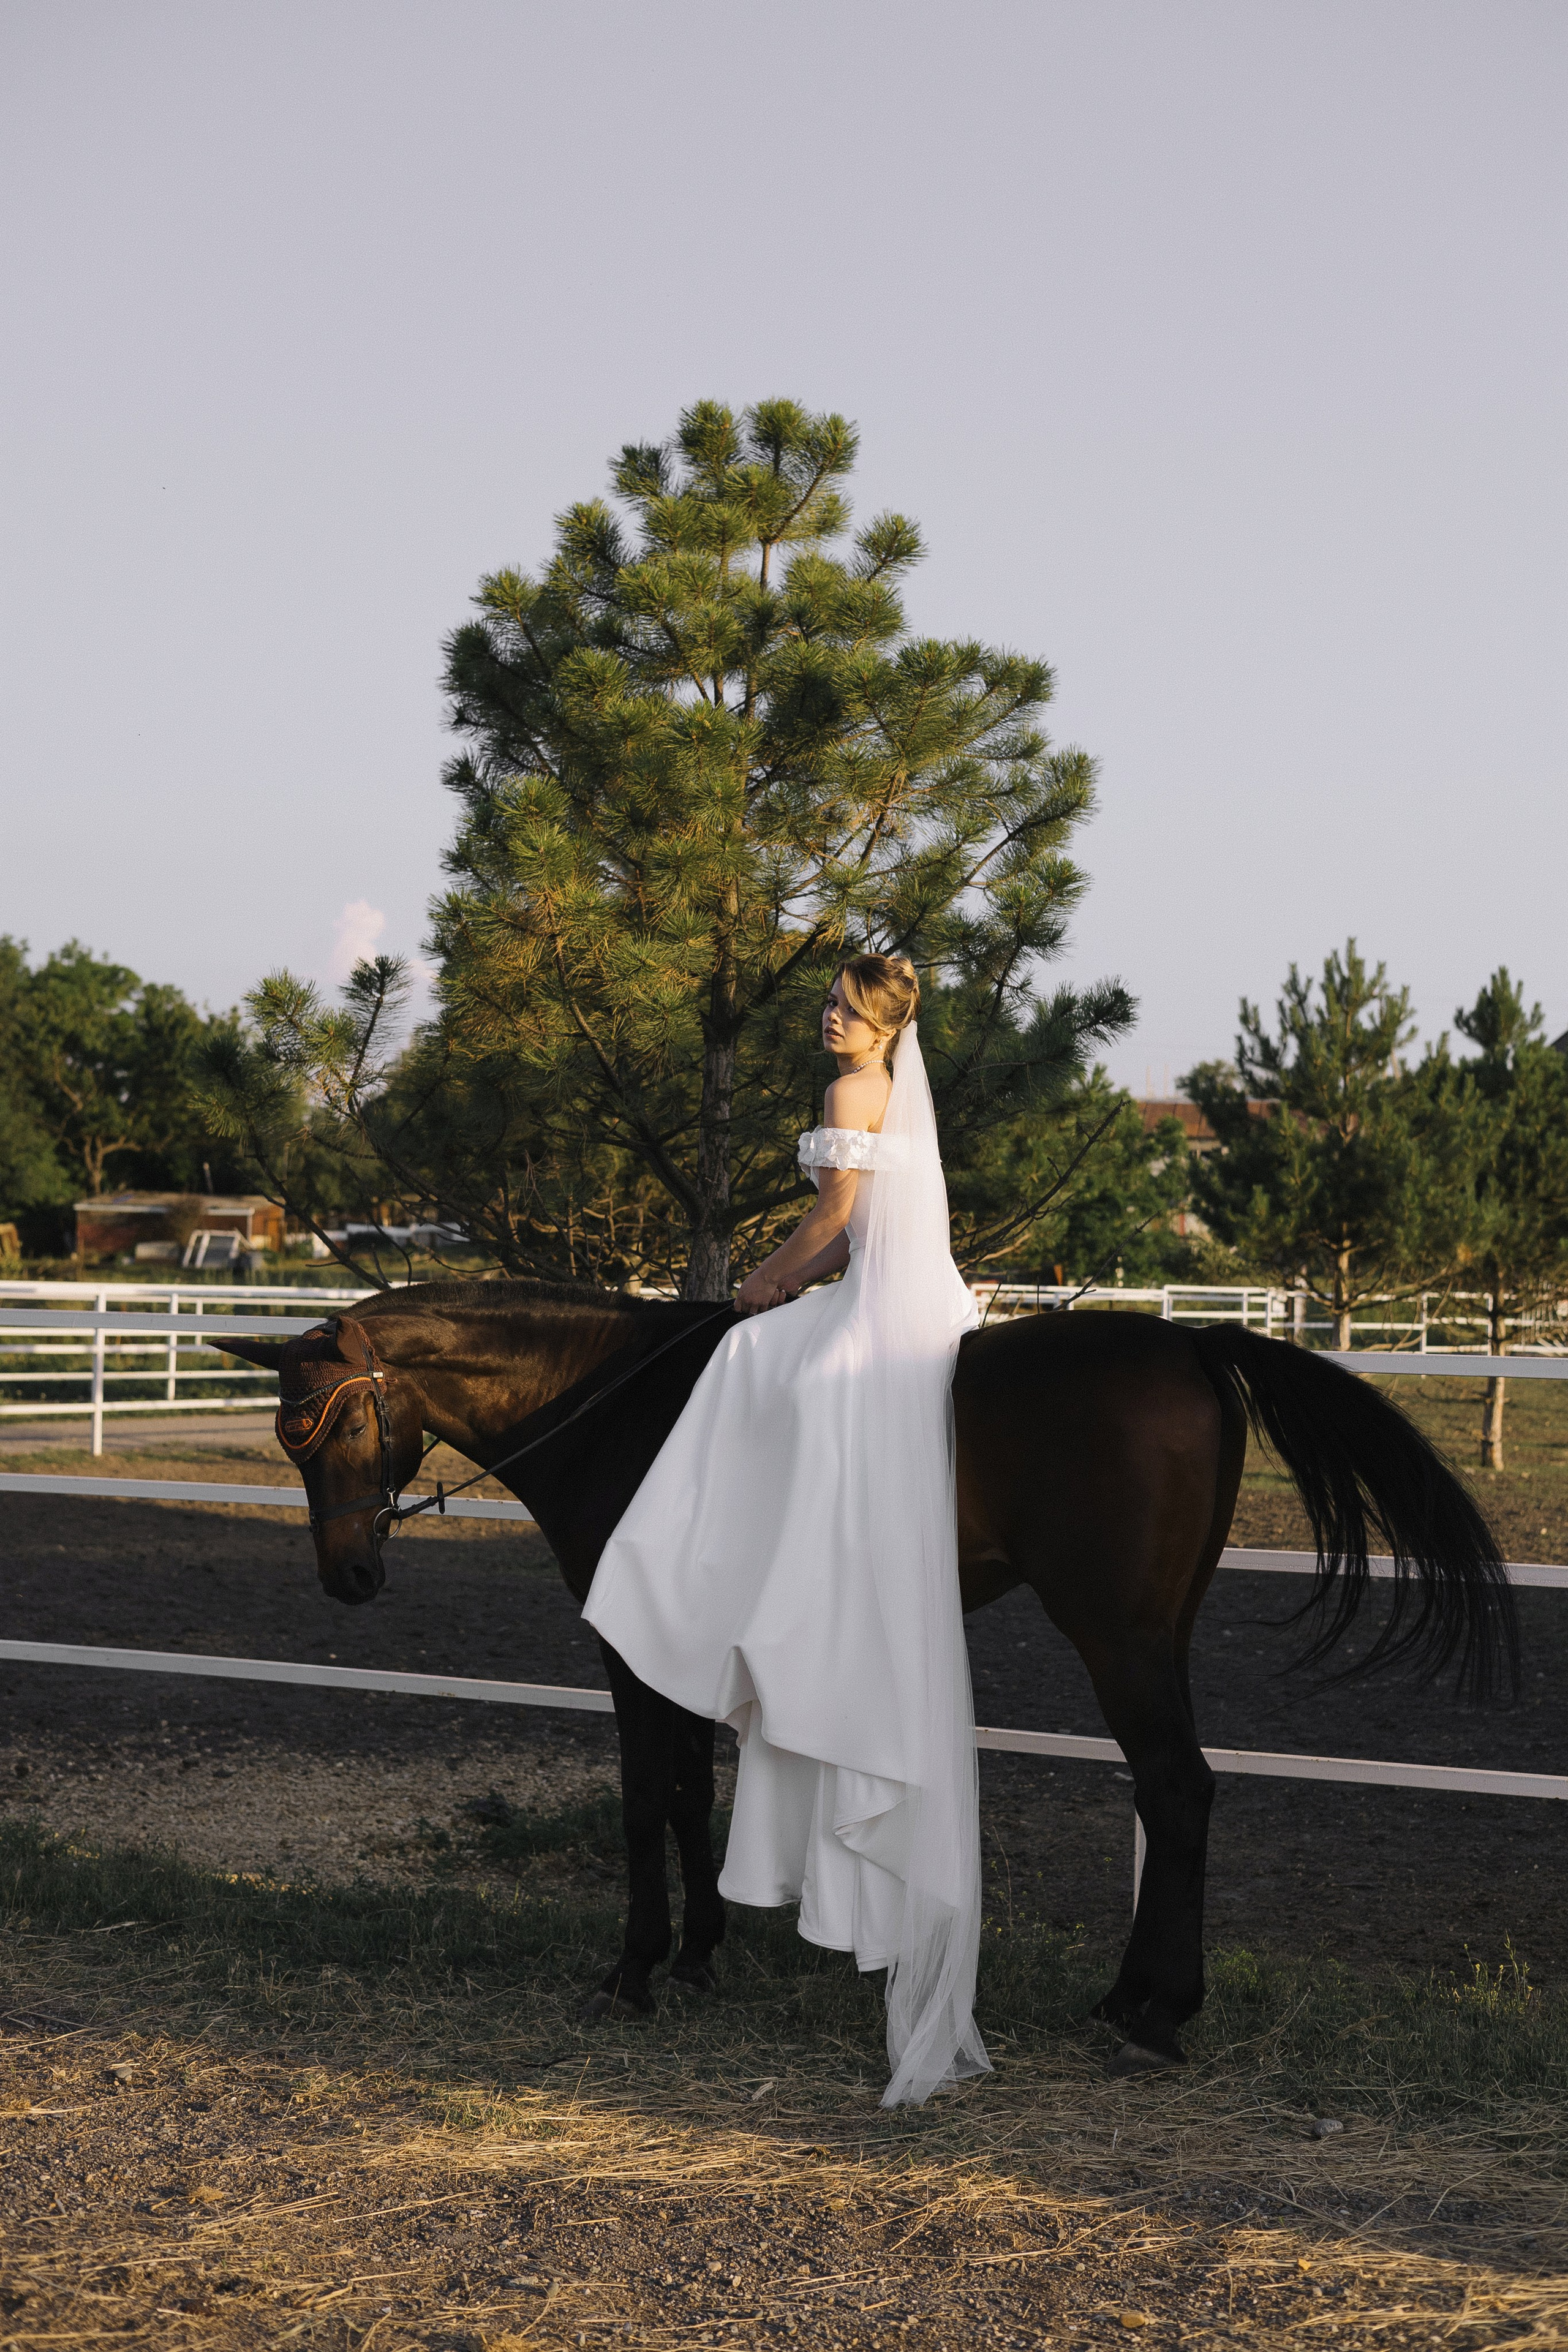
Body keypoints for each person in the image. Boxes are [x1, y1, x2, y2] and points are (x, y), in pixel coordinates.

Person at [582, 954, 989, 2107]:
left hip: (869, 1305)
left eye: (849, 1011)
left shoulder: (850, 1099)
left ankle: (738, 1567)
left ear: (884, 1027)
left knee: (754, 1359)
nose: (830, 1020)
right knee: (769, 1358)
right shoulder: (890, 1094)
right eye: (828, 1005)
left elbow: (837, 1222)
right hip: (919, 1297)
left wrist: (758, 1289)